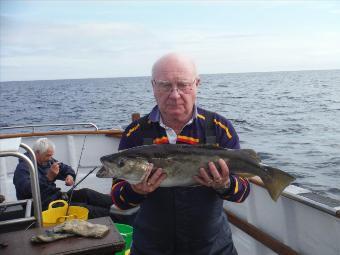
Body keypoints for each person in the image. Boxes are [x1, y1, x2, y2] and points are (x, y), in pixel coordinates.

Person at [111, 53, 250, 255]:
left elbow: (243, 192)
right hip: (152, 247)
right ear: (153, 86)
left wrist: (225, 184)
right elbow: (119, 199)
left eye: (183, 85)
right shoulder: (135, 133)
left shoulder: (220, 128)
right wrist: (137, 190)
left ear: (196, 84)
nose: (175, 95)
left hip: (212, 247)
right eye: (165, 85)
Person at [13, 138, 113, 219]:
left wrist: (69, 176)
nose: (50, 158)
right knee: (85, 209)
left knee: (86, 193)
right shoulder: (23, 168)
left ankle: (119, 204)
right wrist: (48, 177)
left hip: (57, 197)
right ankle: (116, 216)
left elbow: (66, 168)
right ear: (37, 153)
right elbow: (27, 190)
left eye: (51, 155)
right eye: (48, 155)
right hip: (42, 207)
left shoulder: (48, 161)